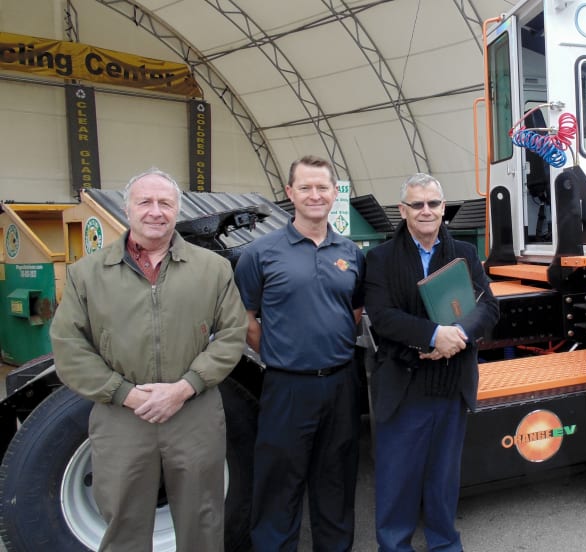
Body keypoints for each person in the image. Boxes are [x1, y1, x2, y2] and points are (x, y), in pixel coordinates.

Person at [50, 168, 248, 551]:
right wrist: (124, 393)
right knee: (123, 523)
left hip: (194, 414)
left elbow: (231, 335)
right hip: (122, 416)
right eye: (145, 202)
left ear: (177, 210)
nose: (155, 211)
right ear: (127, 209)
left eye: (165, 203)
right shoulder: (87, 274)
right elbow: (68, 345)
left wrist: (184, 388)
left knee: (203, 521)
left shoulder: (213, 269)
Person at [235, 155, 365, 551]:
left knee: (336, 481)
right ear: (290, 193)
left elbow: (354, 312)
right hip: (286, 387)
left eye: (322, 187)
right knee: (279, 484)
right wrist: (283, 355)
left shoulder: (351, 252)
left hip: (341, 384)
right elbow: (246, 319)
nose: (314, 195)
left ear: (334, 193)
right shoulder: (260, 253)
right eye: (305, 187)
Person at [364, 173, 499, 552]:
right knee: (398, 478)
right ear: (402, 210)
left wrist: (457, 334)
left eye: (433, 203)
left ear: (443, 209)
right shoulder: (380, 258)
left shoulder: (464, 254)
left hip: (450, 384)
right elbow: (382, 316)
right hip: (403, 386)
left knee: (443, 477)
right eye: (417, 204)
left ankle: (444, 544)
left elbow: (488, 307)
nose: (426, 210)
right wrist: (433, 335)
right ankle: (394, 546)